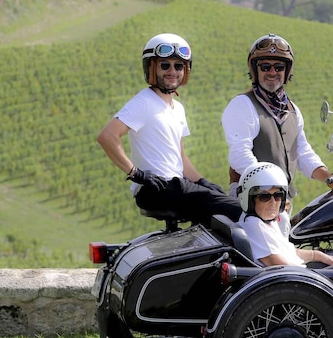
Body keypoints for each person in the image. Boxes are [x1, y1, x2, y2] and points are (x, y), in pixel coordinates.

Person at [97, 32, 242, 228]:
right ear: (151, 68)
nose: (172, 71)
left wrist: (202, 181)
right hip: (157, 189)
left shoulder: (178, 109)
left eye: (178, 66)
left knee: (217, 219)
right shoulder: (144, 102)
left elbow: (180, 158)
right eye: (165, 65)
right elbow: (107, 136)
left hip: (175, 187)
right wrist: (136, 174)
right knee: (241, 211)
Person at [236, 162, 333, 310]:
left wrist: (317, 255)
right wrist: (313, 271)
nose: (273, 202)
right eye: (264, 196)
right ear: (250, 198)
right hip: (293, 284)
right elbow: (279, 264)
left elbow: (286, 252)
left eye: (278, 195)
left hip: (295, 276)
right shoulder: (254, 226)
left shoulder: (264, 221)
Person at [221, 33, 333, 208]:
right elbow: (239, 155)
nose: (272, 72)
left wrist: (331, 180)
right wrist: (269, 188)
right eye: (265, 67)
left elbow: (303, 153)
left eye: (279, 67)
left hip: (280, 202)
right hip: (252, 200)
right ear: (255, 70)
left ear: (286, 71)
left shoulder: (292, 110)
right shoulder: (243, 104)